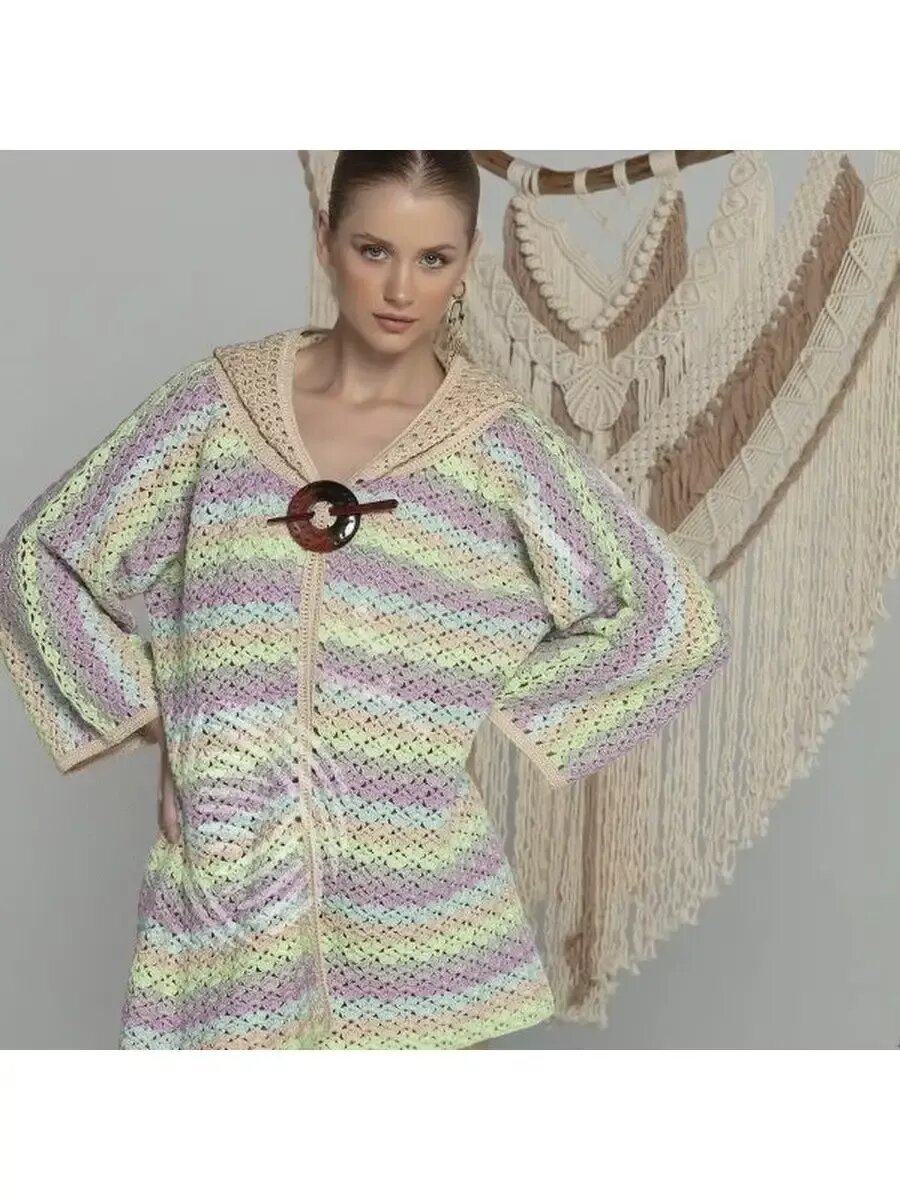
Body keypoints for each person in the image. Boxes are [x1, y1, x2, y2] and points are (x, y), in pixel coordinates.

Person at [0, 151, 732, 1050]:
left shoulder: (499, 450)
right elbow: (40, 558)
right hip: (233, 894)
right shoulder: (217, 410)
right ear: (327, 240)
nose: (400, 289)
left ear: (466, 261)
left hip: (415, 908)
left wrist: (489, 709)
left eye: (433, 258)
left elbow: (672, 619)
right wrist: (165, 716)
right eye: (373, 249)